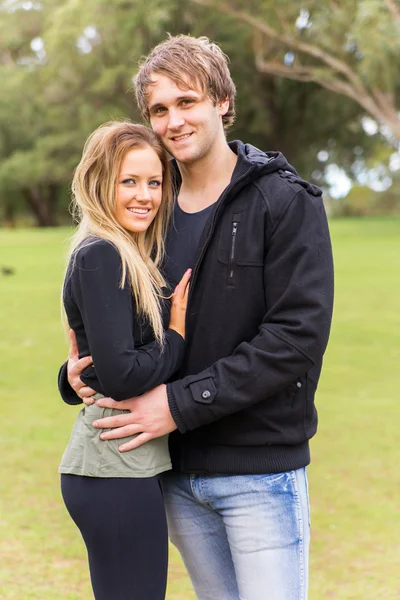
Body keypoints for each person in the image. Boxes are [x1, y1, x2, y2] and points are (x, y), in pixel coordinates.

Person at [59, 36, 334, 600]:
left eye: (187, 101)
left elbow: (295, 339)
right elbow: (120, 337)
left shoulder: (285, 202)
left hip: (260, 472)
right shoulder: (147, 217)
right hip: (176, 473)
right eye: (159, 110)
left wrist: (177, 405)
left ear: (223, 101)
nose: (173, 121)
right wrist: (71, 377)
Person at [59, 121, 191, 600]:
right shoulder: (104, 254)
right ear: (100, 183)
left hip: (119, 470)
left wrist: (69, 377)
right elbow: (121, 373)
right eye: (128, 181)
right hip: (112, 472)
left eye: (154, 182)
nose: (145, 196)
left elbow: (99, 355)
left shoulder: (125, 253)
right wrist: (175, 334)